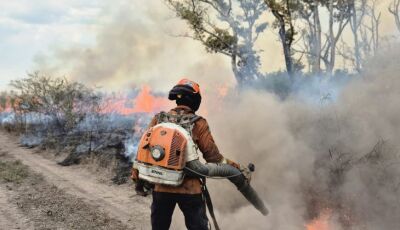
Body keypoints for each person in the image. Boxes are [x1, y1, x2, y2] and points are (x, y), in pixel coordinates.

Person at [132, 79, 240, 230]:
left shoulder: (159, 119)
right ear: (195, 101)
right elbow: (213, 157)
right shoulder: (199, 123)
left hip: (161, 187)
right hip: (190, 189)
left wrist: (138, 177)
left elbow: (144, 149)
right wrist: (233, 166)